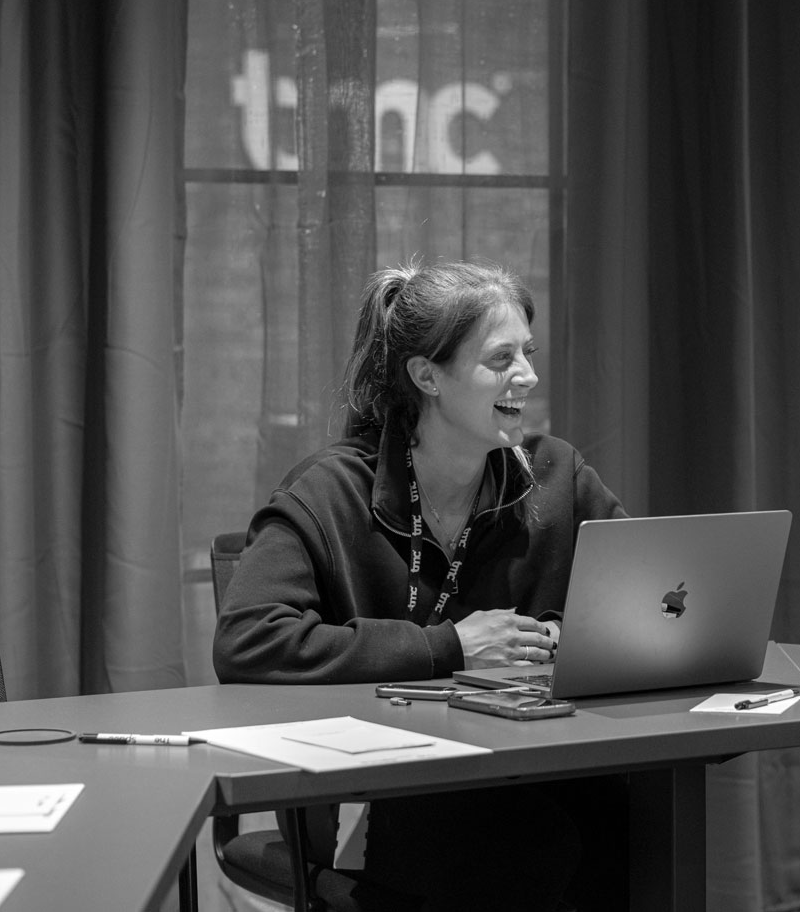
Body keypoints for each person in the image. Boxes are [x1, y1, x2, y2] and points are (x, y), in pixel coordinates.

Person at [214, 259, 627, 912]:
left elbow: (642, 600)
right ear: (427, 375)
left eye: (528, 353)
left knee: (628, 810)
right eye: (501, 358)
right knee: (527, 838)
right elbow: (249, 641)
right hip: (379, 788)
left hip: (540, 762)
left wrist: (561, 636)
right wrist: (450, 648)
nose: (528, 375)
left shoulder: (558, 476)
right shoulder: (329, 491)